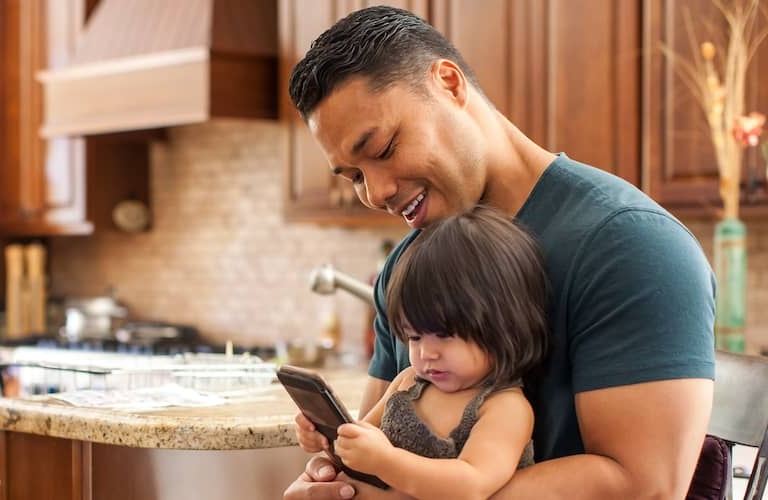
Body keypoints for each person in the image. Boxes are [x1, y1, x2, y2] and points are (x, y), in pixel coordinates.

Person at [284, 6, 715, 500]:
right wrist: (340, 479)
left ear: (448, 83)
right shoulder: (408, 269)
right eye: (355, 176)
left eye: (382, 150)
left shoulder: (631, 248)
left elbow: (645, 486)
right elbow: (383, 452)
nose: (376, 192)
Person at [333, 206, 547, 499]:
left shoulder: (503, 408)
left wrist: (385, 461)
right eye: (414, 336)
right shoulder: (406, 384)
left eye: (444, 334)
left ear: (504, 326)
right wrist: (331, 438)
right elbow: (362, 440)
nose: (426, 353)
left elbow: (471, 484)